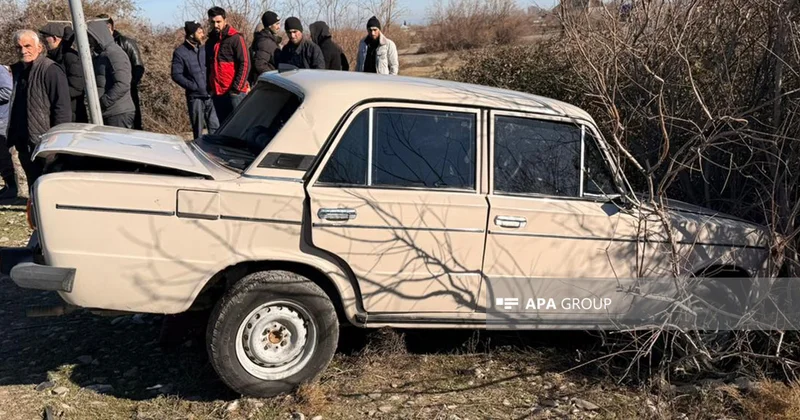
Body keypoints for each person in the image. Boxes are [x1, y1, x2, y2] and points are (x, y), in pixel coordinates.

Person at [6, 30, 71, 187]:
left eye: (28, 46)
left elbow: (62, 108)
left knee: (49, 186)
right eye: (18, 47)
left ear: (39, 47)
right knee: (33, 185)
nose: (23, 51)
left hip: (45, 142)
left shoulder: (50, 70)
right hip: (23, 141)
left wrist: (57, 140)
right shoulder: (18, 71)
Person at [172, 21, 219, 139]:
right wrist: (193, 86)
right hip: (195, 98)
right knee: (198, 130)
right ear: (192, 34)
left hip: (210, 95)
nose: (202, 34)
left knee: (215, 127)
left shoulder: (204, 49)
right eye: (199, 32)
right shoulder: (180, 52)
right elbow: (176, 74)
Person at [97, 14, 145, 129]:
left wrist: (128, 83)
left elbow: (138, 67)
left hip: (127, 92)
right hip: (109, 96)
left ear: (109, 27)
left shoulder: (126, 42)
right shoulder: (100, 47)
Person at [86, 19, 136, 128]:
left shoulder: (114, 54)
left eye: (90, 37)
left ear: (98, 35)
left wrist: (103, 102)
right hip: (107, 112)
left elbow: (122, 84)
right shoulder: (101, 55)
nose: (89, 40)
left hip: (118, 113)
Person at [205, 6, 250, 124]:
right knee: (224, 127)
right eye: (212, 22)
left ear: (225, 20)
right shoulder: (210, 42)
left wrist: (236, 89)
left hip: (235, 93)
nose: (215, 25)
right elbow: (208, 67)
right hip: (218, 93)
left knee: (240, 126)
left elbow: (245, 63)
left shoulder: (235, 38)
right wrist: (210, 88)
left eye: (218, 22)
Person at [39, 22, 88, 123]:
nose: (43, 41)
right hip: (57, 111)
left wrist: (55, 94)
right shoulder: (52, 57)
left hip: (73, 114)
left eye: (45, 37)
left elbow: (77, 87)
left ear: (55, 38)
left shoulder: (70, 57)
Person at [249, 10, 282, 83]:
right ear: (270, 26)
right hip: (268, 82)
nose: (279, 27)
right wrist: (274, 77)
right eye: (276, 24)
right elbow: (260, 65)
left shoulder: (270, 40)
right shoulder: (265, 42)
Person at [0, 65, 16, 199]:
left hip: (1, 120)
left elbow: (8, 90)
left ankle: (12, 186)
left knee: (3, 154)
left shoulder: (0, 70)